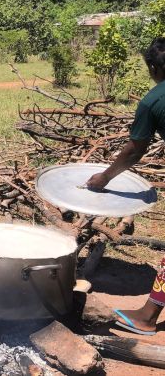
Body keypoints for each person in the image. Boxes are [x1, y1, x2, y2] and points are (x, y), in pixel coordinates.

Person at [87, 37, 165, 335]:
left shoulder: (153, 101)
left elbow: (135, 149)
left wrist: (103, 178)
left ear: (154, 68)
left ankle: (146, 317)